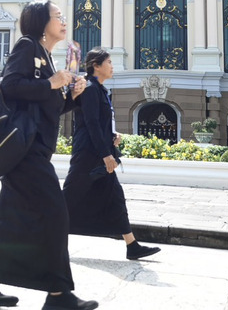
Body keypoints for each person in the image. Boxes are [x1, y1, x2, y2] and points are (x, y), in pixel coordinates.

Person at [0, 0, 97, 310]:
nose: (64, 21)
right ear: (41, 22)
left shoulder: (47, 57)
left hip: (33, 147)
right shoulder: (27, 46)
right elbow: (10, 85)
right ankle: (59, 294)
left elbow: (44, 106)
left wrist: (72, 97)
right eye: (57, 16)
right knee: (55, 213)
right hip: (24, 149)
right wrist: (51, 83)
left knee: (10, 218)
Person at [63, 48, 160, 261]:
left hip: (99, 152)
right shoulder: (89, 88)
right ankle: (40, 238)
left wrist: (112, 135)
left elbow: (99, 123)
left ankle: (132, 245)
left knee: (116, 197)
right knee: (68, 198)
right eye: (109, 62)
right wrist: (106, 154)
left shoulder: (99, 90)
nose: (112, 66)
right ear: (96, 66)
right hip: (87, 155)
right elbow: (91, 124)